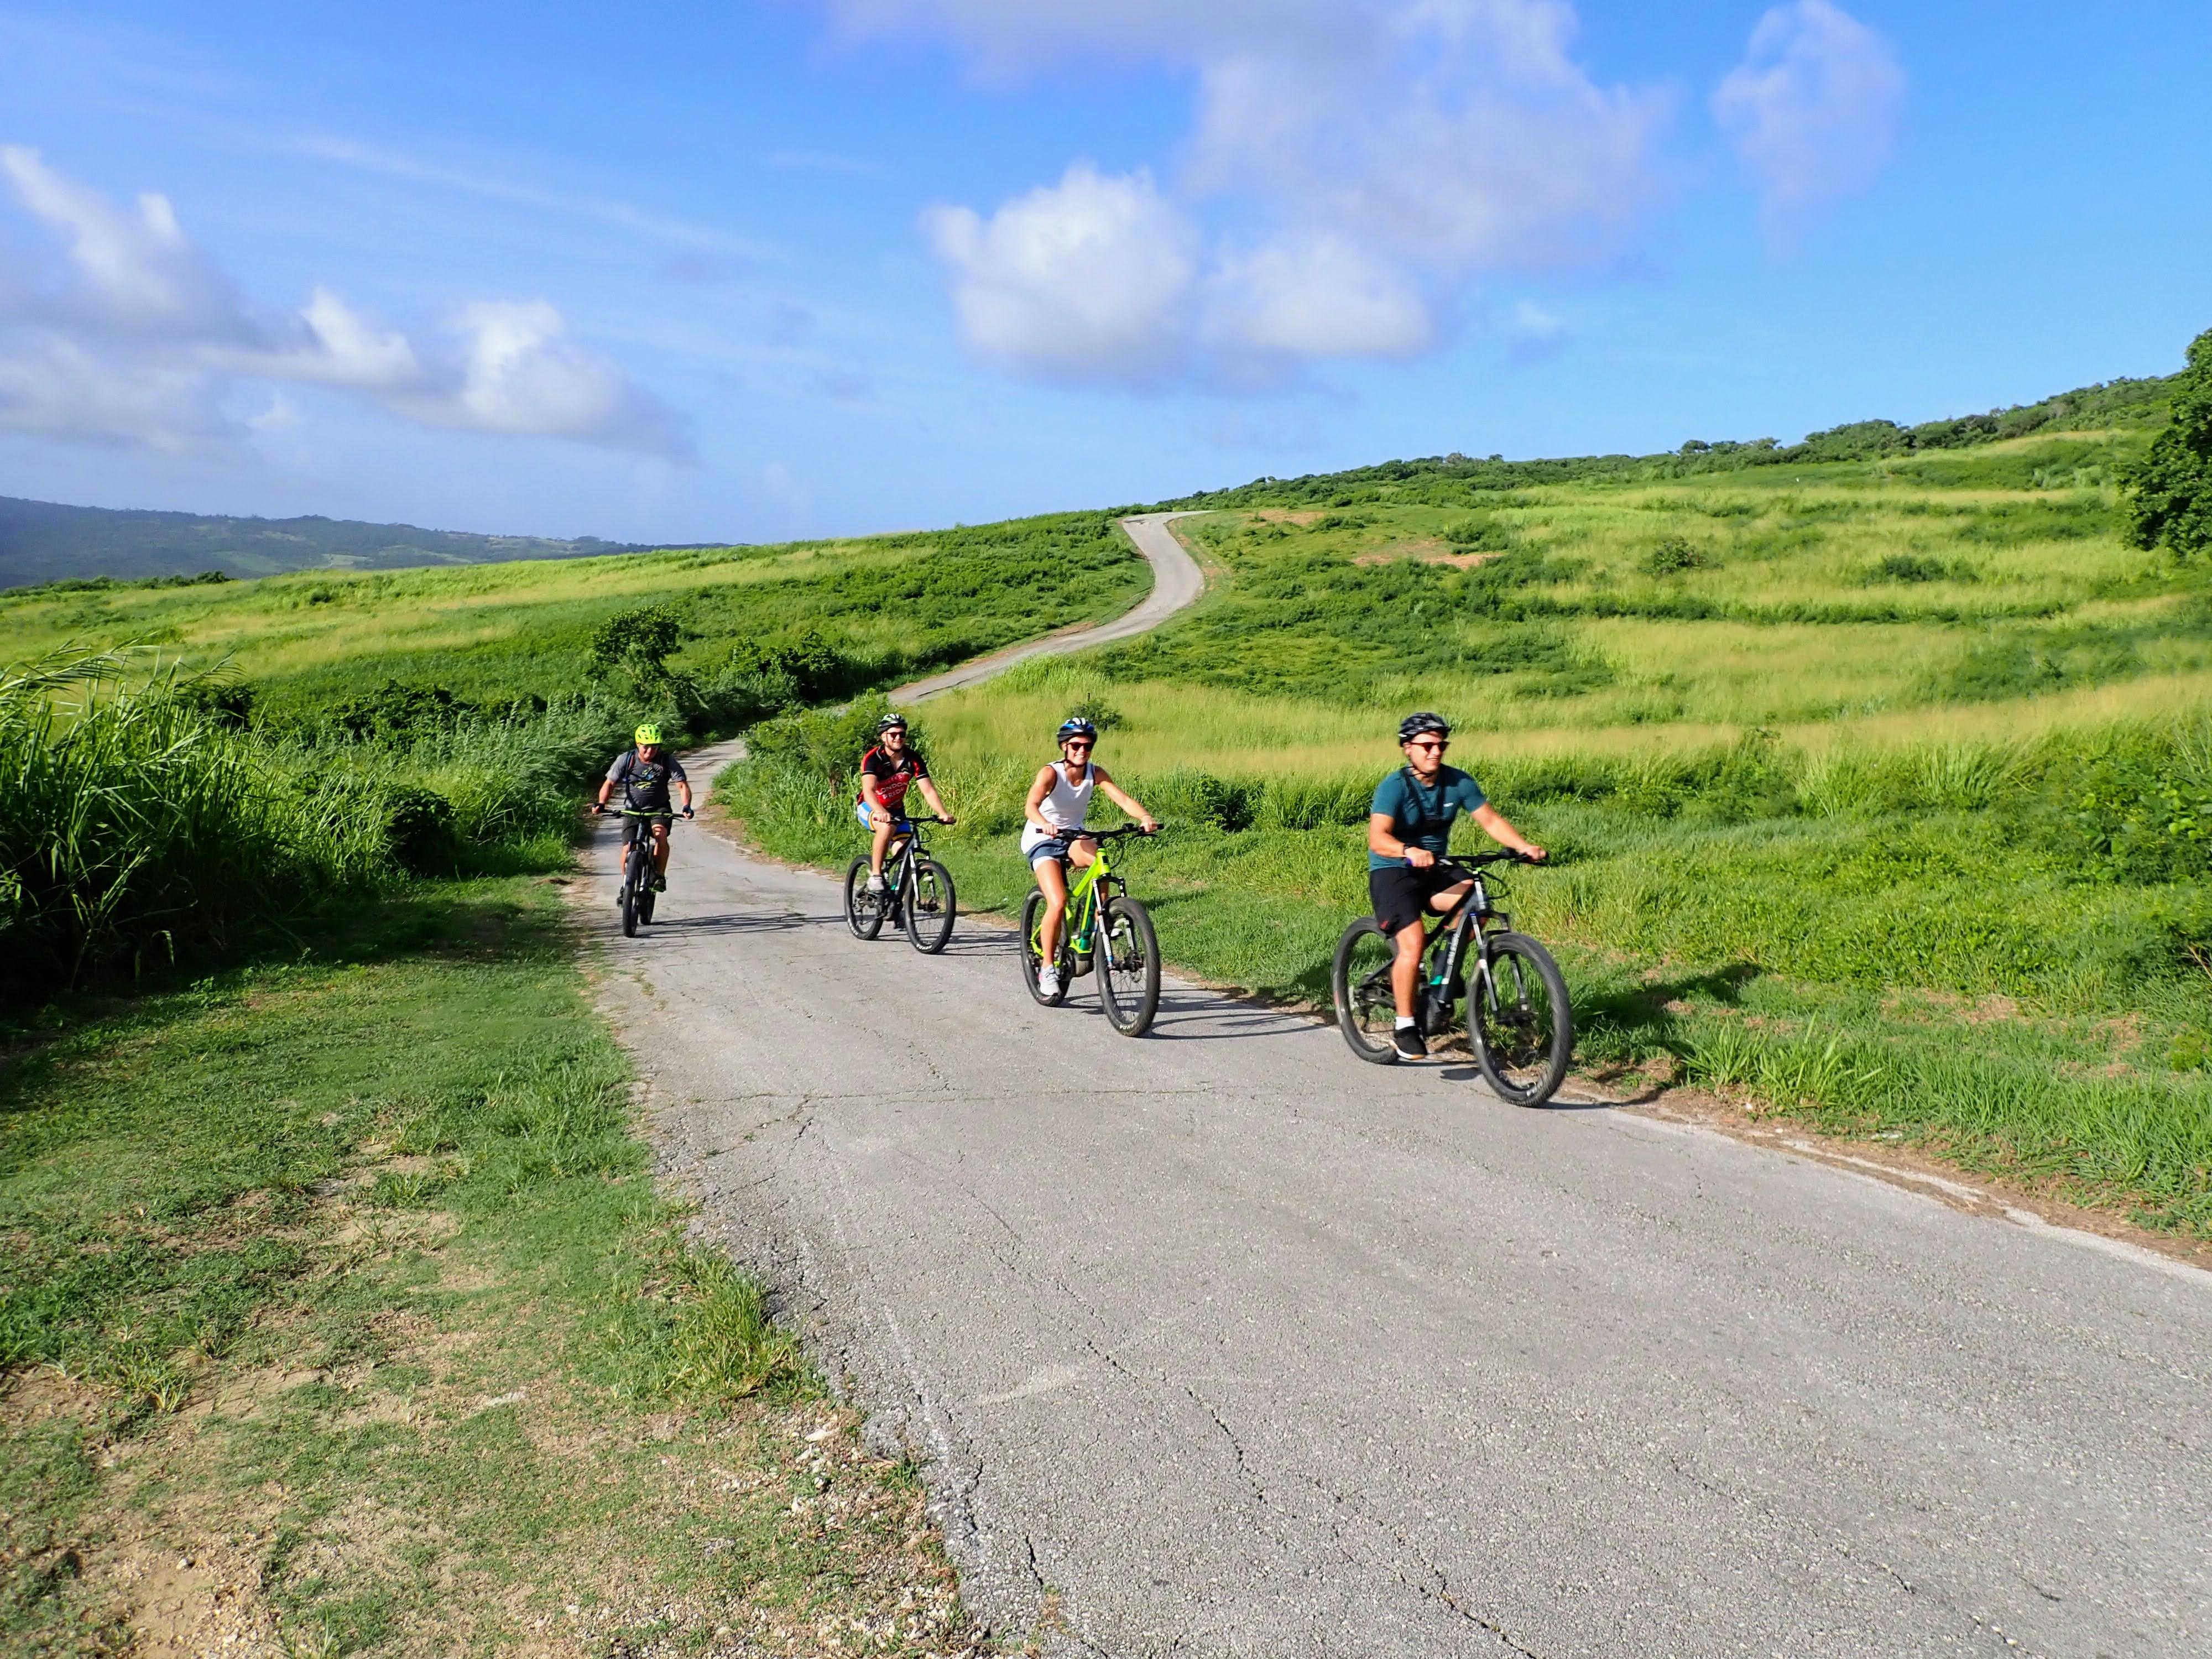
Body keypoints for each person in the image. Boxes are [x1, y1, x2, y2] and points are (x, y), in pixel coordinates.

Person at [1368, 712, 1545, 1060]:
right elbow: (1378, 838)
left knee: (1476, 901)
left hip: (1436, 869)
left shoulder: (1458, 782)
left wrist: (1523, 846)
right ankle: (1405, 1026)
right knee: (1411, 943)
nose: (1436, 752)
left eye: (1441, 745)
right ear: (1408, 749)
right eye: (1427, 745)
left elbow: (1490, 819)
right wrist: (1408, 851)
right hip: (1393, 870)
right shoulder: (1394, 787)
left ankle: (1442, 969)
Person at [1021, 716, 1157, 999]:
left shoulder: (1096, 773)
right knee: (1057, 902)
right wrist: (1044, 823)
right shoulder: (1050, 773)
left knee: (1102, 863)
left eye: (1088, 746)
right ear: (1064, 747)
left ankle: (1101, 922)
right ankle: (1047, 967)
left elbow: (1123, 799)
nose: (1082, 751)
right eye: (1076, 745)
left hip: (1073, 836)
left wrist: (1144, 816)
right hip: (1043, 838)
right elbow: (1031, 806)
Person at [856, 713, 954, 894]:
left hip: (896, 810)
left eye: (902, 734)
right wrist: (879, 810)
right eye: (893, 734)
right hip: (869, 806)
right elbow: (869, 791)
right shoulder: (874, 759)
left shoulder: (913, 759)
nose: (898, 738)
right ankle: (876, 876)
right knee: (886, 827)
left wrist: (943, 813)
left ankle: (896, 900)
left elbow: (928, 790)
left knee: (905, 855)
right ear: (883, 736)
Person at [596, 723, 693, 890]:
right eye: (646, 747)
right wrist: (601, 804)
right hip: (632, 810)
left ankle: (659, 876)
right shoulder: (626, 760)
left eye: (654, 748)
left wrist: (686, 806)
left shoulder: (666, 761)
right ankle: (626, 884)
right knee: (628, 848)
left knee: (660, 835)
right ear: (638, 744)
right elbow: (610, 784)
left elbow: (682, 785)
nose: (650, 752)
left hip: (659, 809)